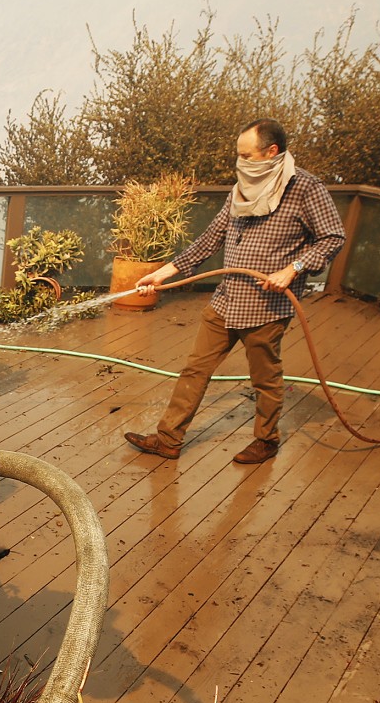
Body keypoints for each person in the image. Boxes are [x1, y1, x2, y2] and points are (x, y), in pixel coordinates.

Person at [123, 118, 345, 465]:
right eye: (238, 156)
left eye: (247, 155)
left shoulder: (305, 188)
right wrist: (161, 274)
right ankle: (168, 439)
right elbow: (210, 239)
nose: (240, 163)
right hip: (227, 301)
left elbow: (333, 237)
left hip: (267, 307)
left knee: (265, 378)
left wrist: (292, 270)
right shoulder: (242, 188)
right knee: (195, 369)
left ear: (272, 152)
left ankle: (267, 440)